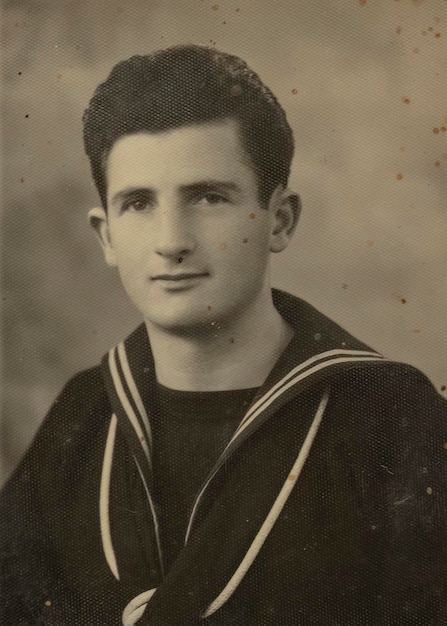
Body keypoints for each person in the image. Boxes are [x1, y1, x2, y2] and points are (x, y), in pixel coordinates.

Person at [1, 44, 446, 625]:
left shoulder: (390, 417)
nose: (172, 240)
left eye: (208, 197)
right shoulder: (83, 417)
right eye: (138, 203)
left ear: (279, 220)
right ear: (106, 235)